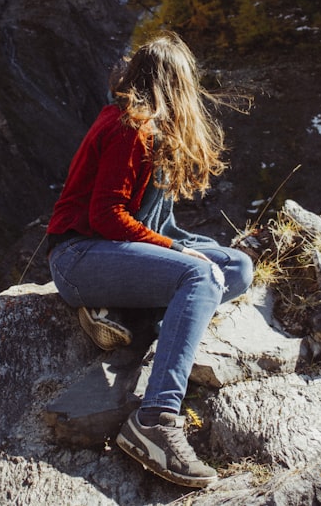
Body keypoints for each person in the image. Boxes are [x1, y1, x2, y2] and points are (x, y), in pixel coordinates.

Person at [46, 32, 253, 488]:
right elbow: (105, 216)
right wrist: (180, 253)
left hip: (112, 253)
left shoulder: (149, 128)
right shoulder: (130, 129)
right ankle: (155, 420)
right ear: (173, 85)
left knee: (236, 268)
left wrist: (182, 247)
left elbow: (157, 224)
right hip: (79, 257)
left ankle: (121, 313)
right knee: (199, 276)